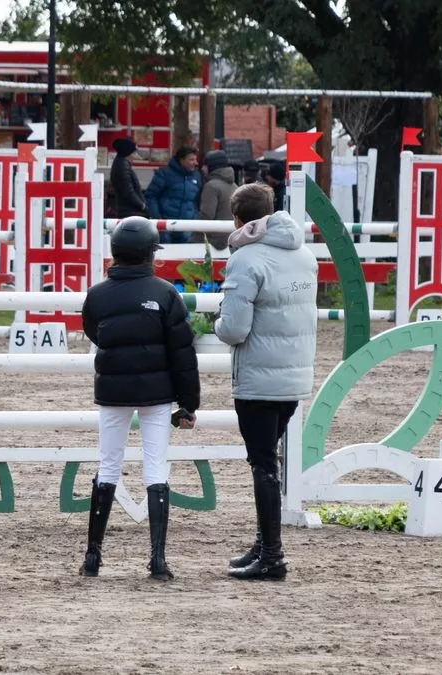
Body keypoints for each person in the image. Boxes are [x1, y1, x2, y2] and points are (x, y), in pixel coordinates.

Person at [79, 217, 200, 581]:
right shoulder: (165, 294)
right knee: (155, 466)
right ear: (150, 253)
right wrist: (189, 403)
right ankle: (158, 560)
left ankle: (93, 557)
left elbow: (94, 332)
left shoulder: (97, 294)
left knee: (108, 464)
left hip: (113, 392)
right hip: (157, 394)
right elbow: (183, 354)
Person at [214, 182, 317, 581]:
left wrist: (217, 323)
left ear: (239, 219)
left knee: (262, 465)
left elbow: (235, 329)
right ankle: (262, 544)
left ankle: (272, 555)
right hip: (294, 374)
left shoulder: (246, 259)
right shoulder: (304, 254)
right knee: (267, 459)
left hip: (259, 376)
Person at [145, 146, 202, 243]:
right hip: (166, 226)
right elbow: (151, 196)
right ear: (181, 160)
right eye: (191, 159)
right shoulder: (164, 174)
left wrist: (195, 217)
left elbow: (197, 200)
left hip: (187, 226)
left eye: (195, 159)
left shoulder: (197, 176)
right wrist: (157, 218)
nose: (195, 163)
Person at [197, 149, 234, 250]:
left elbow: (206, 216)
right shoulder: (235, 185)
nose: (202, 168)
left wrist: (193, 235)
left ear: (212, 166)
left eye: (205, 164)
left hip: (211, 242)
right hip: (230, 240)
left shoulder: (211, 186)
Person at [109, 137, 147, 218]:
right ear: (128, 153)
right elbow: (128, 191)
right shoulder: (123, 167)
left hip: (128, 210)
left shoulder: (122, 164)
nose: (136, 155)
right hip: (130, 211)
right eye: (134, 152)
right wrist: (142, 205)